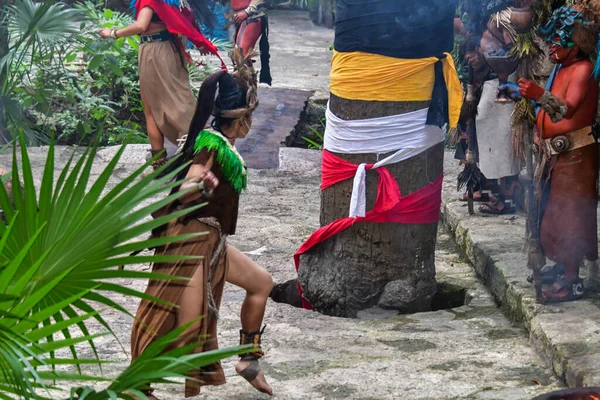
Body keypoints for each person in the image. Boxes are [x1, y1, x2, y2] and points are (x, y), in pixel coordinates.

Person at [129, 49, 273, 399]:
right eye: (249, 117)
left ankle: (249, 359)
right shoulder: (209, 147)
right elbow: (186, 186)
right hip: (189, 242)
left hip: (212, 240)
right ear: (242, 120)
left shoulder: (220, 143)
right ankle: (136, 385)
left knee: (261, 283)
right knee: (186, 330)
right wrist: (200, 184)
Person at [505, 5, 599, 302]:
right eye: (552, 40)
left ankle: (571, 279)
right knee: (551, 215)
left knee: (570, 216)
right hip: (556, 156)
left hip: (577, 155)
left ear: (578, 45)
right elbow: (549, 109)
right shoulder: (561, 68)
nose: (553, 46)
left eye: (560, 40)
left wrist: (537, 95)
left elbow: (565, 108)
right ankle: (562, 266)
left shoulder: (582, 70)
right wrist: (532, 104)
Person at [99, 0, 223, 172]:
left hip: (155, 52)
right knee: (180, 98)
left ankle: (172, 159)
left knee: (152, 108)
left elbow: (141, 25)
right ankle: (193, 148)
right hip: (169, 48)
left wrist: (112, 33)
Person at [231, 0, 272, 85]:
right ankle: (245, 92)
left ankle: (248, 92)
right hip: (241, 16)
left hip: (253, 15)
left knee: (241, 56)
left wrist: (248, 11)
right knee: (239, 56)